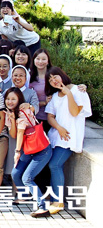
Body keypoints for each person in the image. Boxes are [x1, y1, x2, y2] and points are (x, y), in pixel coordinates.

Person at [45, 67, 92, 214]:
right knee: (52, 166)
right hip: (56, 135)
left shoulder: (78, 91)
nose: (54, 80)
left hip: (69, 137)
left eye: (55, 76)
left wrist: (69, 94)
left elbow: (75, 112)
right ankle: (53, 200)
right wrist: (59, 128)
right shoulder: (54, 96)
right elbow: (50, 116)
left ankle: (58, 201)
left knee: (55, 164)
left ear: (62, 75)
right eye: (50, 79)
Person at [5, 87, 53, 217]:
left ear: (19, 99)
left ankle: (42, 207)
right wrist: (11, 120)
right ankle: (25, 195)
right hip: (29, 148)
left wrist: (17, 152)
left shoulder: (23, 111)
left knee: (27, 178)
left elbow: (21, 133)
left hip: (41, 149)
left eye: (13, 99)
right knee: (15, 173)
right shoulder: (10, 114)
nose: (10, 102)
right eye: (8, 99)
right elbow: (14, 134)